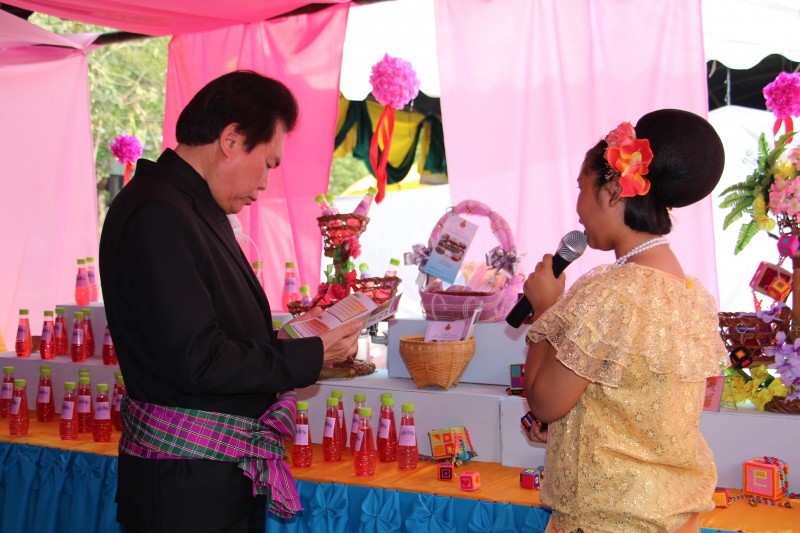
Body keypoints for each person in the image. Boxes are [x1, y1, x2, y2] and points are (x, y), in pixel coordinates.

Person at [99, 70, 362, 533]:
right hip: (185, 491)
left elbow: (219, 332)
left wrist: (301, 336)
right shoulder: (159, 214)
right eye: (268, 163)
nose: (265, 184)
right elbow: (197, 360)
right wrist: (311, 355)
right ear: (231, 139)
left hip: (212, 480)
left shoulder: (192, 208)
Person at [522, 109, 727, 533]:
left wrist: (546, 310)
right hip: (673, 517)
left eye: (581, 187)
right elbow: (633, 407)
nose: (578, 207)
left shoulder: (608, 294)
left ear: (613, 190)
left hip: (610, 519)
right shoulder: (692, 295)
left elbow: (544, 402)